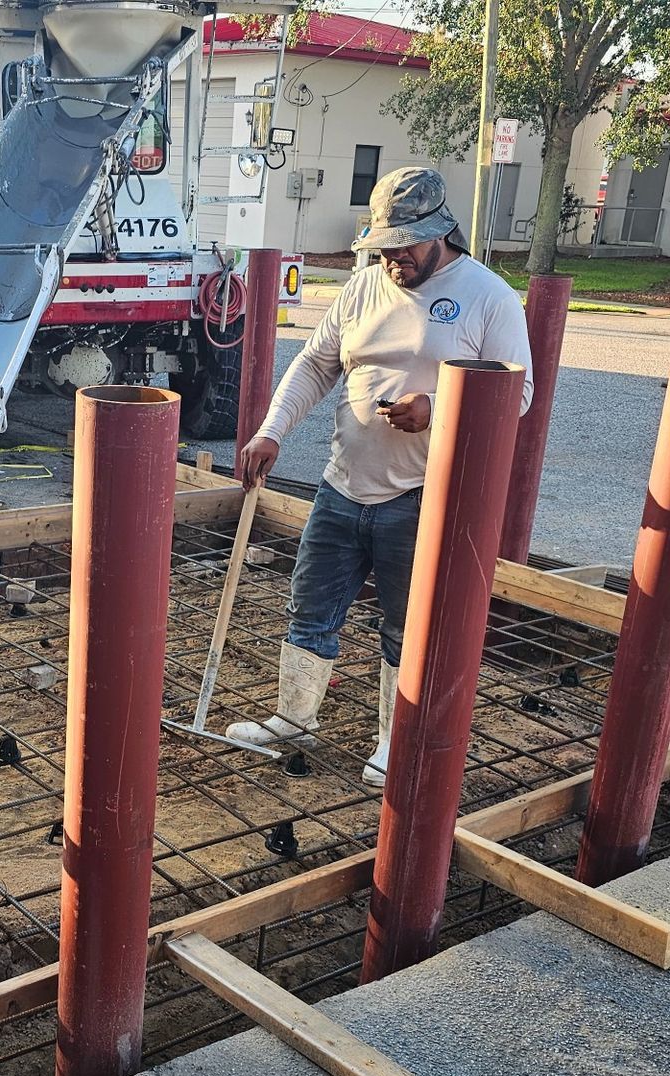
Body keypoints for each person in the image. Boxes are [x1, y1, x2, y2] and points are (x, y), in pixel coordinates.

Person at [227, 166, 534, 786]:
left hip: (417, 496)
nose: (394, 259)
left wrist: (438, 405)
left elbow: (519, 391)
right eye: (384, 248)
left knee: (404, 622)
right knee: (310, 605)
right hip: (342, 484)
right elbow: (316, 364)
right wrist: (271, 430)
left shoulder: (488, 296)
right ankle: (293, 718)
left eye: (405, 247)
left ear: (440, 233)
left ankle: (396, 743)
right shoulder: (364, 286)